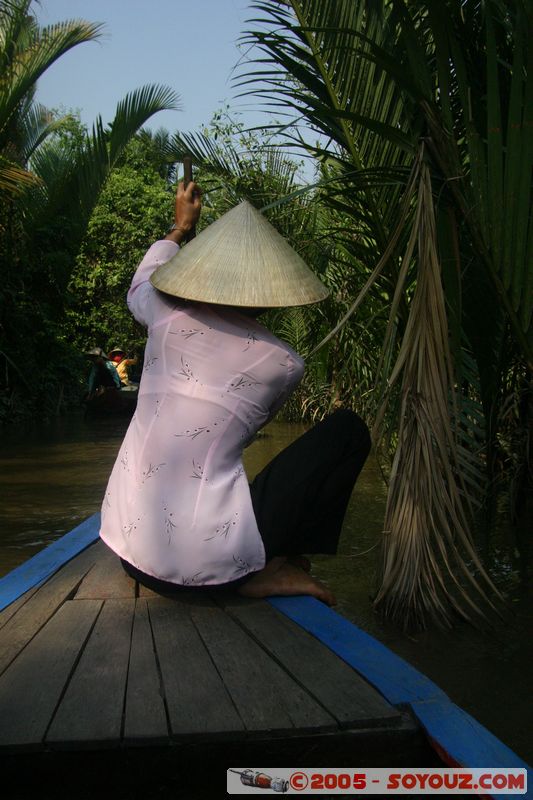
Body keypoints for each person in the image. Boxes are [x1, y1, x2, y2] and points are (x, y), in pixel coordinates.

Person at [99, 182, 371, 605]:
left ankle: (258, 560)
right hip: (205, 575)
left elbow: (141, 284)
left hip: (128, 549)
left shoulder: (163, 313)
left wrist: (180, 228)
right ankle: (264, 568)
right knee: (348, 431)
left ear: (204, 277)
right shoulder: (283, 364)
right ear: (272, 297)